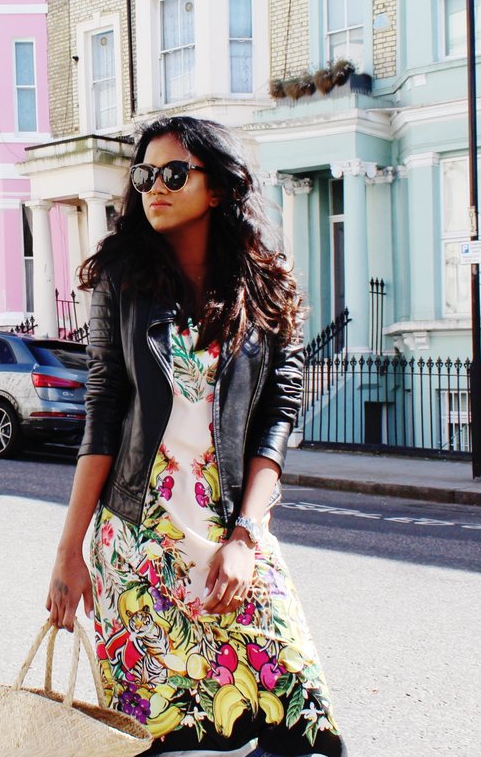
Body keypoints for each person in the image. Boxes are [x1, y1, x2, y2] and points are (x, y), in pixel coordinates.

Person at [46, 116, 344, 756]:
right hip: (137, 542)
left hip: (229, 533)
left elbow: (277, 420)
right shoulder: (119, 282)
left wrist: (247, 536)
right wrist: (69, 550)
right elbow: (102, 418)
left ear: (217, 189)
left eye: (174, 174)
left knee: (304, 729)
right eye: (145, 174)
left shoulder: (267, 288)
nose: (155, 186)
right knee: (162, 740)